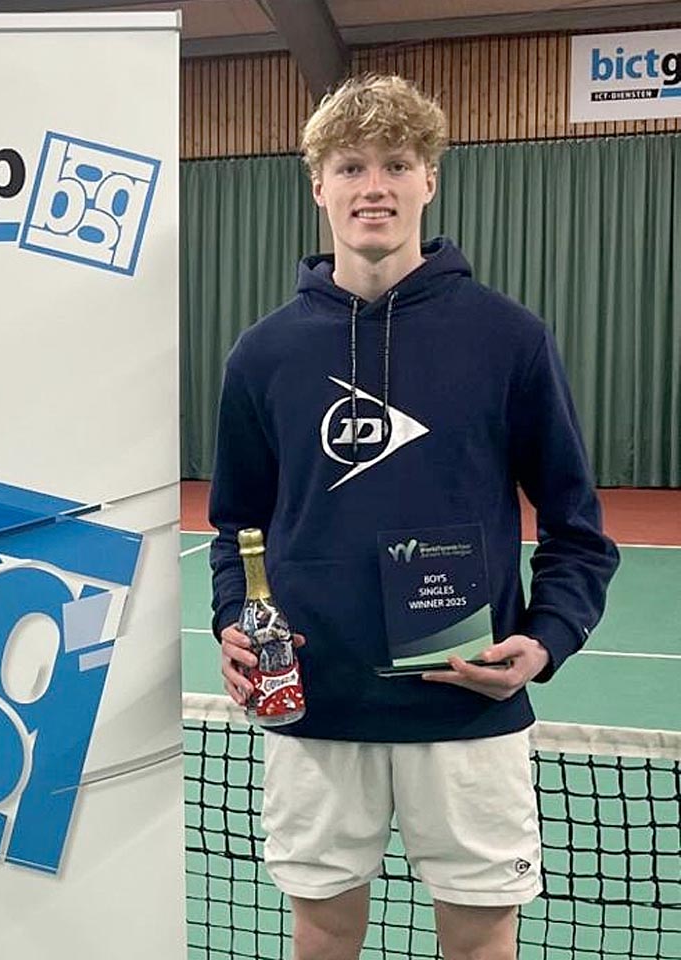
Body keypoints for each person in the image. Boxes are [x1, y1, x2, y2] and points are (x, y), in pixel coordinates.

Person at [208, 76, 619, 960]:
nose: (375, 187)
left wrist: (546, 639)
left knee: (478, 940)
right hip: (313, 705)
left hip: (466, 708)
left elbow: (577, 528)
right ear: (317, 185)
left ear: (430, 179)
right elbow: (236, 528)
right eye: (351, 167)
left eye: (397, 164)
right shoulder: (263, 355)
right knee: (323, 929)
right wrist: (234, 621)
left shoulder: (509, 339)